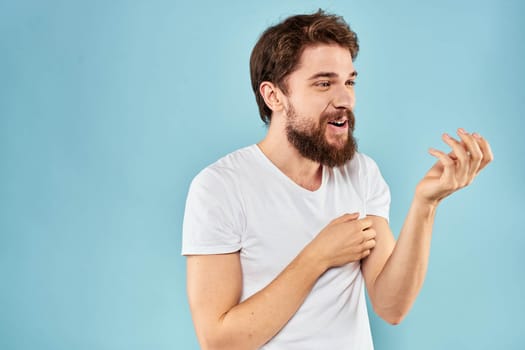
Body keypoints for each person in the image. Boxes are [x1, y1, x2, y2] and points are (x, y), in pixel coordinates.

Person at [181, 10, 493, 350]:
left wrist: (426, 204)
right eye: (324, 83)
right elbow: (219, 341)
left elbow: (391, 306)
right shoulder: (220, 187)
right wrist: (318, 256)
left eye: (350, 81)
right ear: (274, 96)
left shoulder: (361, 173)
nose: (345, 99)